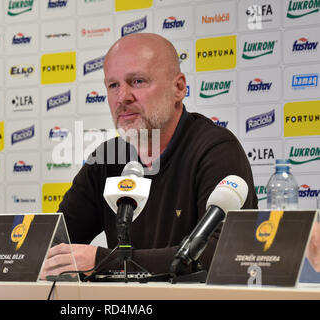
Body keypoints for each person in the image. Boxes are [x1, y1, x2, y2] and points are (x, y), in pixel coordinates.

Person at [40, 33, 260, 279]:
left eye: (137, 81)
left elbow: (223, 252)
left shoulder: (216, 149)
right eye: (113, 85)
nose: (123, 97)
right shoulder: (107, 158)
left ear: (178, 88)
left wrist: (104, 262)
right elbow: (55, 241)